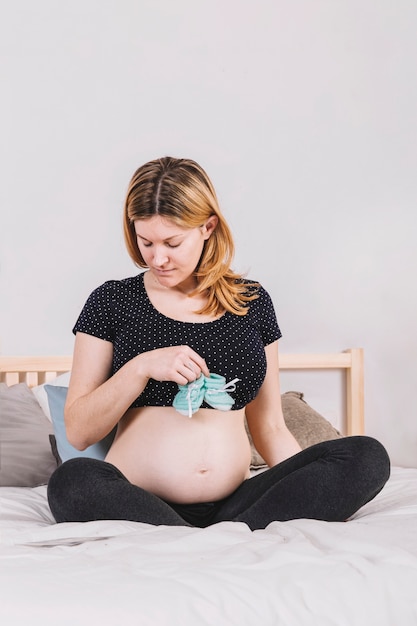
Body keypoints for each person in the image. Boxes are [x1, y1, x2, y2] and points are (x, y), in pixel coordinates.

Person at [47, 156, 390, 530]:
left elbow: (270, 428)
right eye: (145, 241)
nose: (157, 258)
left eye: (172, 242)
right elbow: (79, 432)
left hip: (236, 504)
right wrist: (140, 368)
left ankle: (210, 536)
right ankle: (211, 539)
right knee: (72, 481)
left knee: (367, 456)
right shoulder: (112, 301)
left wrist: (299, 481)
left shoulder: (251, 302)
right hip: (137, 499)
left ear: (208, 227)